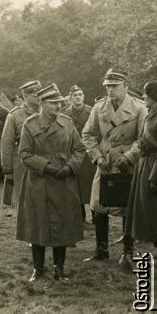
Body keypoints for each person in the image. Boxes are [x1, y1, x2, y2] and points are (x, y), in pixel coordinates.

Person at [16, 83, 85, 282]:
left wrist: (70, 167)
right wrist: (47, 166)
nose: (58, 106)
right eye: (54, 103)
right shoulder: (30, 124)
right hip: (39, 181)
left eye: (60, 103)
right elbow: (24, 154)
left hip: (64, 180)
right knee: (38, 223)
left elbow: (79, 149)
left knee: (62, 224)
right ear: (42, 103)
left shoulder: (67, 123)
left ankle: (59, 268)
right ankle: (38, 269)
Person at [82, 68, 147, 264]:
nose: (110, 90)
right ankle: (101, 250)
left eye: (114, 86)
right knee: (98, 205)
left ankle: (128, 251)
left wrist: (130, 156)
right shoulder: (99, 107)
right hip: (105, 161)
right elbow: (88, 134)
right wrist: (96, 156)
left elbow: (143, 138)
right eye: (108, 86)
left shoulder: (138, 108)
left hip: (126, 163)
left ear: (125, 86)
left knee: (127, 207)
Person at [124, 81, 157, 267]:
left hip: (153, 166)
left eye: (146, 95)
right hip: (144, 165)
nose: (143, 98)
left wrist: (156, 177)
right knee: (148, 212)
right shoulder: (154, 114)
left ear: (154, 98)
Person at [0, 80, 41, 208]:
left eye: (39, 94)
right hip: (21, 163)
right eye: (35, 95)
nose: (38, 97)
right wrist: (7, 169)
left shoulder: (46, 112)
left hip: (43, 161)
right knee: (23, 200)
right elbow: (6, 143)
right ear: (25, 96)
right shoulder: (14, 115)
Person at [61, 85, 95, 222]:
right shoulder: (65, 113)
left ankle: (96, 215)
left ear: (84, 96)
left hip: (89, 153)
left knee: (92, 185)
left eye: (80, 94)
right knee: (76, 185)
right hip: (73, 153)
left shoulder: (91, 111)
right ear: (70, 98)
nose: (78, 97)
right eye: (75, 95)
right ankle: (79, 216)